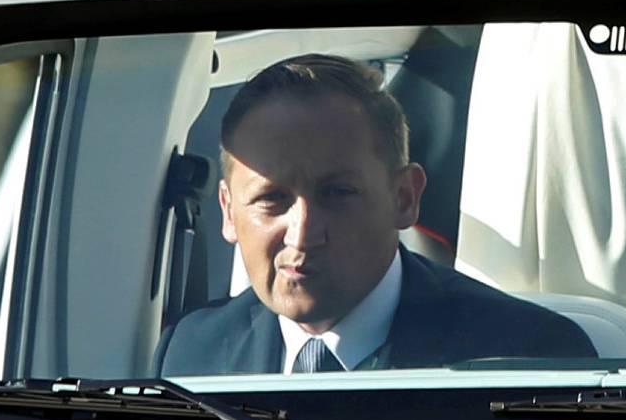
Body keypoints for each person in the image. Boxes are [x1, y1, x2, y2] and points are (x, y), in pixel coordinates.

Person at [155, 55, 594, 373]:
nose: (303, 234)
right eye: (273, 199)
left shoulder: (528, 356)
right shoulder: (191, 353)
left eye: (338, 193)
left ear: (404, 197)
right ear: (229, 213)